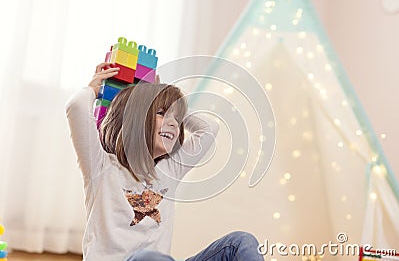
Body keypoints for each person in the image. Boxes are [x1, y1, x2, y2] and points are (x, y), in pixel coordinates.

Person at [65, 62, 263, 261]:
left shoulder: (169, 170)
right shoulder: (101, 167)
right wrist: (94, 89)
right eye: (161, 113)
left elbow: (209, 128)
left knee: (241, 243)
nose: (173, 123)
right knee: (149, 257)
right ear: (135, 118)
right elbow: (77, 106)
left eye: (176, 119)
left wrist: (166, 99)